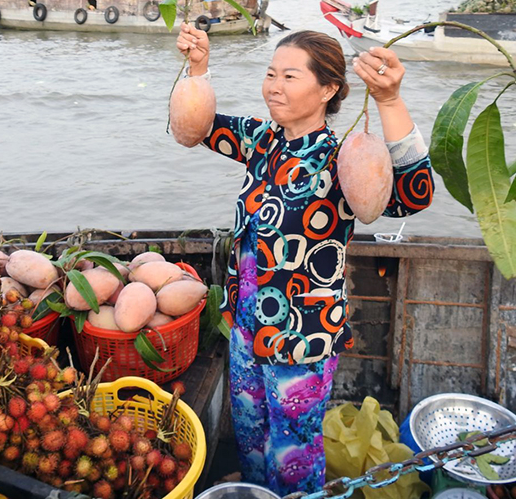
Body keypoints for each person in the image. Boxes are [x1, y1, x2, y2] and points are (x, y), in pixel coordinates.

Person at [171, 25, 434, 495]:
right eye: (271, 74)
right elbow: (195, 127)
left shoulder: (343, 157)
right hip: (246, 324)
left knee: (293, 450)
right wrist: (198, 67)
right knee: (250, 430)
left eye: (290, 77)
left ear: (328, 89)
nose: (274, 86)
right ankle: (256, 488)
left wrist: (390, 100)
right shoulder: (263, 140)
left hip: (303, 334)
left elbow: (413, 196)